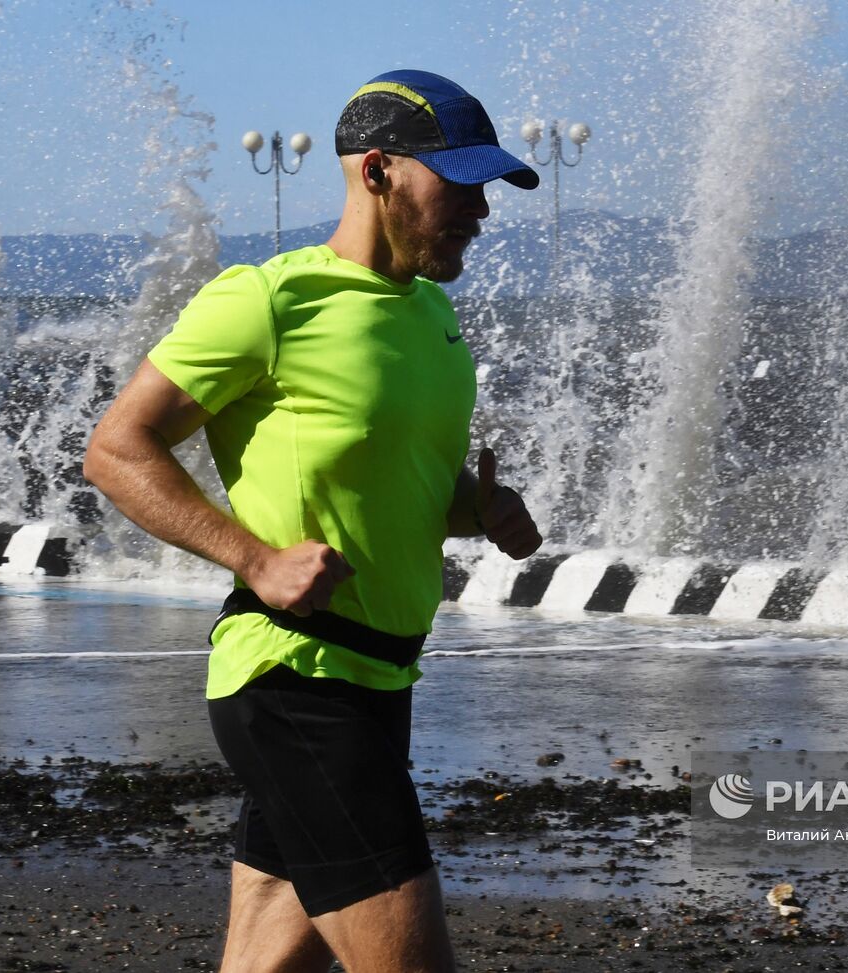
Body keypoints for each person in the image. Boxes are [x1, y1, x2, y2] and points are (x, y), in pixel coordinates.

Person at [83, 69, 543, 972]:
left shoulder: (435, 317)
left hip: (382, 682)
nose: (480, 210)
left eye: (487, 187)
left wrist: (477, 507)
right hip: (295, 677)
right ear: (378, 172)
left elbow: (392, 481)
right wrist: (254, 557)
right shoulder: (267, 302)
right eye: (459, 182)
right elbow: (117, 449)